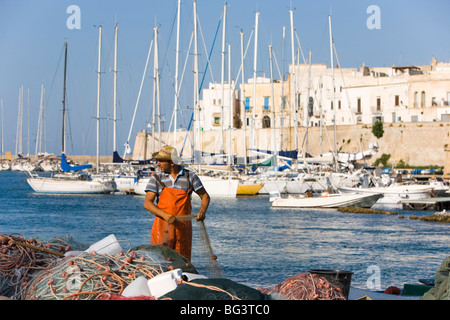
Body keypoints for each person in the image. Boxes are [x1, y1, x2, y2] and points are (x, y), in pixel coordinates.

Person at [143, 145, 210, 261]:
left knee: (181, 261)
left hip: (183, 230)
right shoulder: (156, 178)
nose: (158, 164)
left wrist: (202, 211)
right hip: (162, 229)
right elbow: (147, 204)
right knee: (161, 260)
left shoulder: (190, 176)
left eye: (161, 161)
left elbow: (205, 196)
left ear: (172, 162)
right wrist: (165, 215)